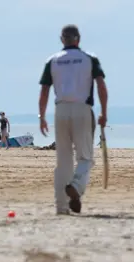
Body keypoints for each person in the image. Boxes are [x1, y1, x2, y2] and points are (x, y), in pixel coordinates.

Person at [38, 24, 108, 215]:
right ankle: (76, 187)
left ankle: (61, 207)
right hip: (82, 109)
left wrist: (42, 116)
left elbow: (44, 90)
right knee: (85, 157)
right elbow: (101, 85)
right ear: (78, 39)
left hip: (60, 109)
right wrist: (104, 112)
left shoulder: (53, 61)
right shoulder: (89, 59)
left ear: (62, 39)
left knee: (63, 162)